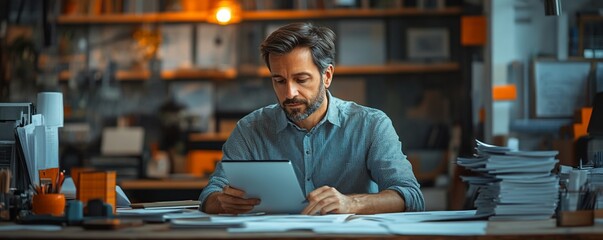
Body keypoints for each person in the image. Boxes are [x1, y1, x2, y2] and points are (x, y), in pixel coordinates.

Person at [199, 22, 424, 215]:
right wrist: (221, 201)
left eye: (301, 79)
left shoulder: (371, 125)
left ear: (326, 76)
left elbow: (410, 195)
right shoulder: (250, 129)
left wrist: (350, 203)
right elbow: (210, 194)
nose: (289, 93)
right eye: (279, 81)